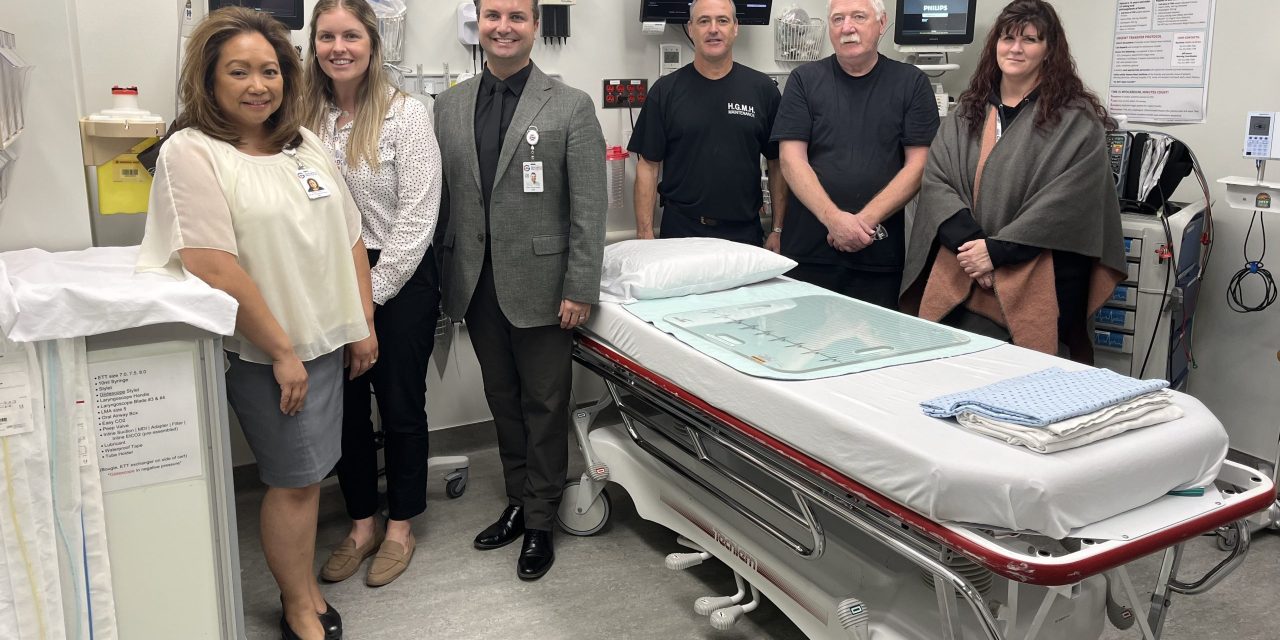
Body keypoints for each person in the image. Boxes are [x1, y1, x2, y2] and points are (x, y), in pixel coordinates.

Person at [136, 7, 376, 640]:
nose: (257, 85)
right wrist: (281, 350)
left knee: (311, 474)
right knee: (295, 483)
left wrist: (362, 324)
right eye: (238, 71)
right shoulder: (192, 151)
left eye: (269, 70)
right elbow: (211, 263)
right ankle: (299, 604)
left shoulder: (304, 142)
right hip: (270, 354)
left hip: (324, 343)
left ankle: (300, 594)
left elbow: (350, 235)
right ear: (209, 81)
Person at [433, 0, 606, 581]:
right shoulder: (450, 106)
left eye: (517, 17)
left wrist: (579, 286)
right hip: (476, 284)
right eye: (493, 16)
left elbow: (588, 208)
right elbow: (446, 204)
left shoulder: (571, 106)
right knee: (502, 399)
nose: (503, 27)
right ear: (476, 23)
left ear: (535, 26)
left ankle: (540, 519)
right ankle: (516, 497)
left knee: (546, 403)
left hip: (545, 285)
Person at [302, 0, 444, 588]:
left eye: (351, 36)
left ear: (372, 43)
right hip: (324, 275)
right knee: (345, 414)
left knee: (401, 404)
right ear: (313, 46)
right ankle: (361, 522)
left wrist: (370, 302)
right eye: (327, 36)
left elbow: (417, 220)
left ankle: (401, 525)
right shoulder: (303, 118)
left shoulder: (406, 115)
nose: (339, 47)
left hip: (399, 276)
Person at [900, 0, 1126, 363]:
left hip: (1041, 272)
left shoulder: (1075, 119)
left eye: (1030, 39)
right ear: (995, 46)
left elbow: (1066, 200)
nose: (1016, 48)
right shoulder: (967, 113)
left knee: (1032, 385)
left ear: (1049, 50)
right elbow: (938, 180)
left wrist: (999, 251)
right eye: (1007, 38)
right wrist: (975, 248)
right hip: (965, 265)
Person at [770, 0, 939, 309]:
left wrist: (863, 222)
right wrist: (834, 220)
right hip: (809, 252)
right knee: (802, 349)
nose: (847, 27)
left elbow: (920, 164)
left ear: (881, 22)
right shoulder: (804, 81)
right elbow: (791, 160)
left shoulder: (911, 83)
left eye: (858, 17)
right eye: (837, 19)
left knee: (874, 349)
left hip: (878, 254)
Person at [627, 0, 787, 246]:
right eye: (704, 21)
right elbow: (648, 166)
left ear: (736, 27)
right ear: (691, 29)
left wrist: (777, 229)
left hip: (744, 234)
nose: (713, 29)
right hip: (680, 233)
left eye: (722, 20)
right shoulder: (665, 91)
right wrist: (644, 235)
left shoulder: (763, 90)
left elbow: (778, 164)